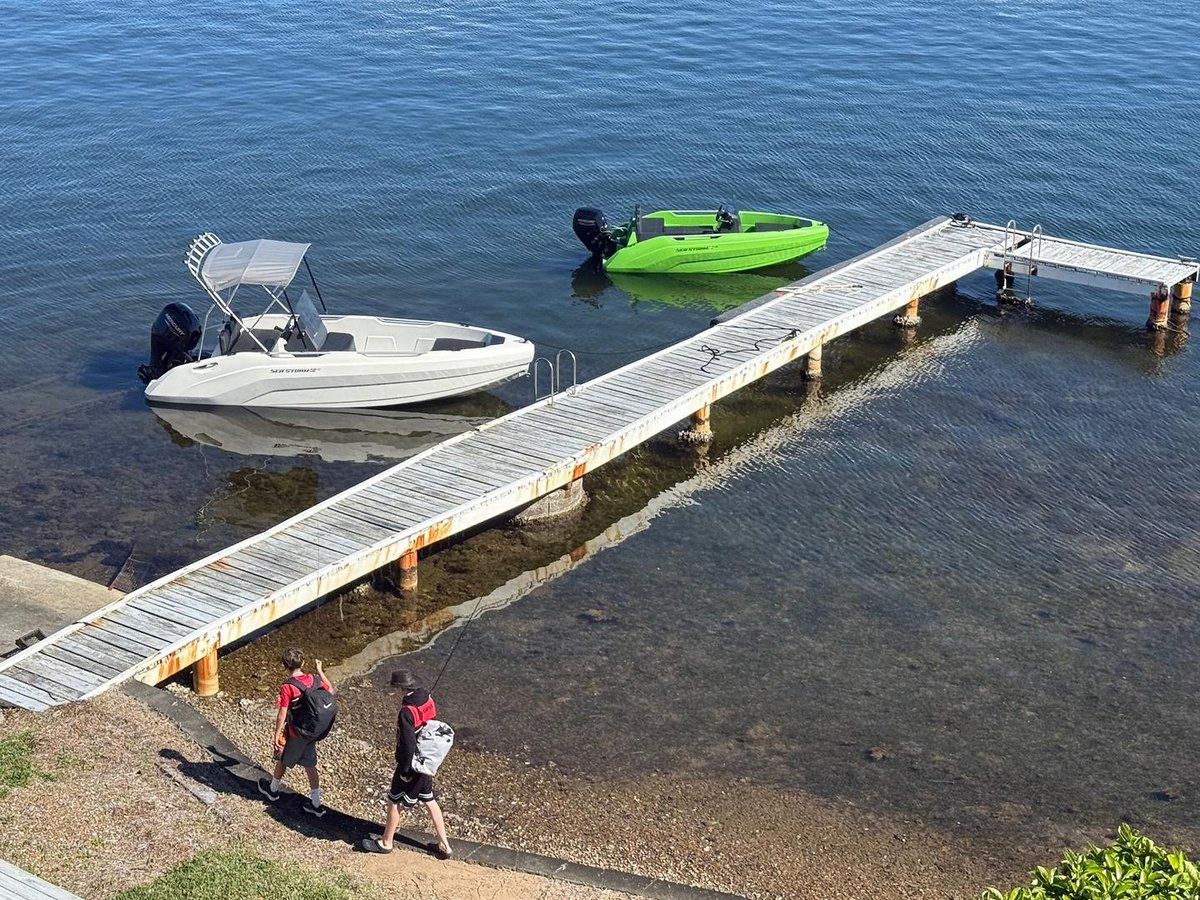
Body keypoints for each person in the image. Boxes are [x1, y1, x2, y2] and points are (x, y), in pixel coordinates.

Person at [360, 669, 452, 858]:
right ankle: (445, 845)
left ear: (402, 688)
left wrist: (404, 770)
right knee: (429, 799)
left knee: (394, 800)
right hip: (426, 761)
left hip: (413, 764)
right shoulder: (427, 697)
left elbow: (408, 743)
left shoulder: (406, 712)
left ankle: (386, 843)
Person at [257, 647, 332, 816]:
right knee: (310, 765)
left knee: (283, 757)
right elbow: (330, 689)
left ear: (284, 666)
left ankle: (273, 790)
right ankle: (316, 803)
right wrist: (320, 671)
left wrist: (277, 734)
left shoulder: (287, 687)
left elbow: (282, 713)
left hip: (296, 730)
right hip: (312, 729)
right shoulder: (313, 679)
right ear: (303, 663)